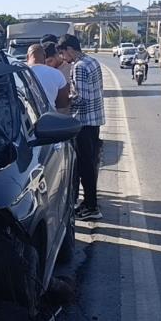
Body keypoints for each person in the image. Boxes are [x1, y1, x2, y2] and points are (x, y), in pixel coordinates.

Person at [57, 33, 104, 221]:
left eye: (62, 54)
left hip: (83, 122)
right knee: (89, 164)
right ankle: (88, 203)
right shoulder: (92, 61)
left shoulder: (79, 67)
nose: (63, 58)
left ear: (69, 49)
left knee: (85, 167)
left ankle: (92, 207)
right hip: (94, 120)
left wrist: (65, 100)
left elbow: (81, 98)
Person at [26, 44, 70, 111]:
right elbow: (63, 103)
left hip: (27, 117)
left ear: (27, 57)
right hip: (50, 116)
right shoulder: (57, 74)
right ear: (44, 57)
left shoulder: (20, 73)